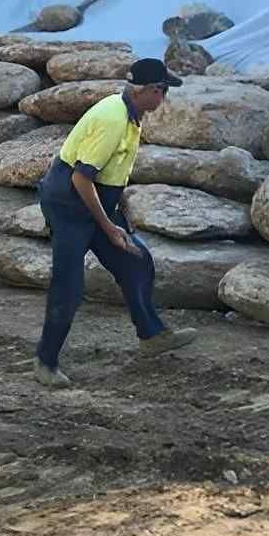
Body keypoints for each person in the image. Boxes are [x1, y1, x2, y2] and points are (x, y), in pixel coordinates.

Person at [34, 58, 197, 388]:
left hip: (95, 198)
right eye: (163, 92)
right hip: (68, 203)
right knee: (69, 285)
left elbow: (111, 171)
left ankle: (152, 335)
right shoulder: (112, 119)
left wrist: (119, 212)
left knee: (136, 260)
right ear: (148, 90)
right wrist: (109, 227)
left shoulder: (131, 114)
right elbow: (81, 179)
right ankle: (45, 362)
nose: (164, 99)